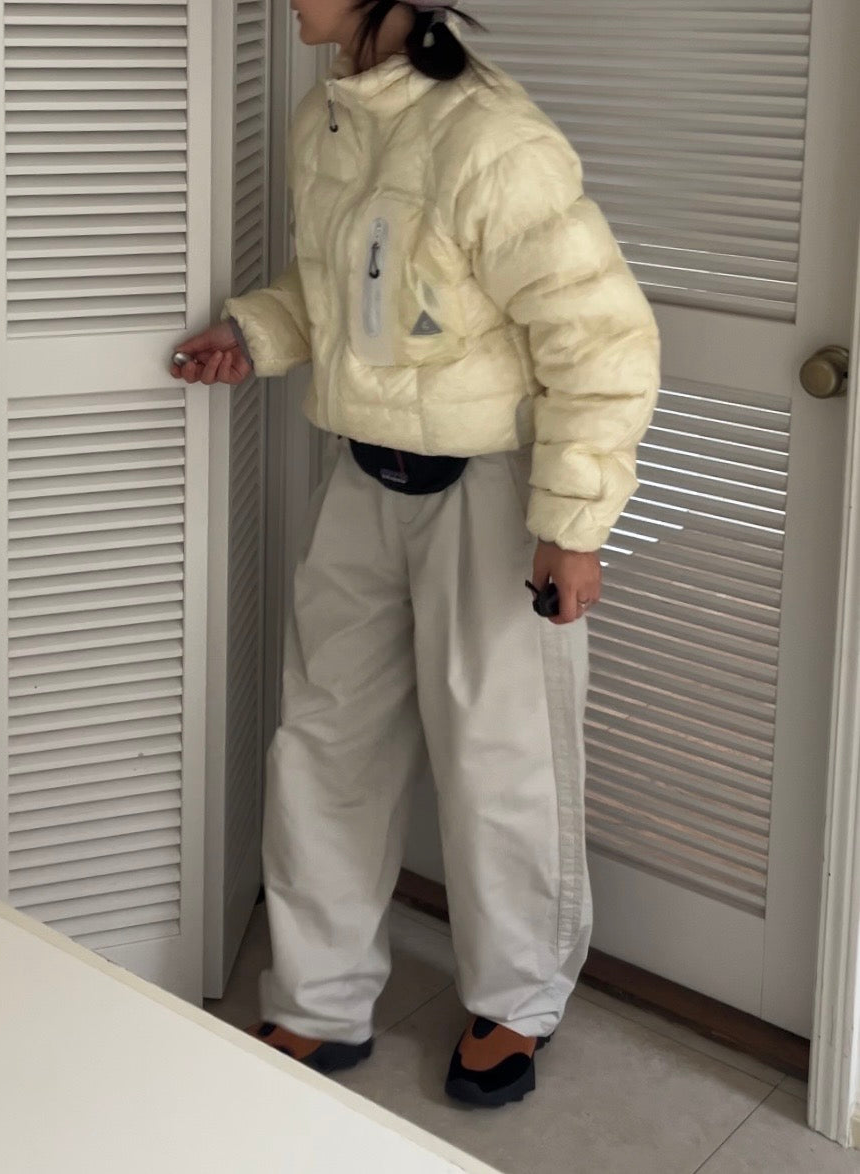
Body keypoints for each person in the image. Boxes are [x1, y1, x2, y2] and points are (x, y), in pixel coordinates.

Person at [171, 0, 659, 1108]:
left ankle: (514, 998)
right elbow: (348, 295)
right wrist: (254, 333)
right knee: (324, 743)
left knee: (499, 756)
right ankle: (318, 1000)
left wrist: (570, 527)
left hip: (490, 496)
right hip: (363, 480)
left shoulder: (493, 137)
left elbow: (601, 339)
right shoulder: (329, 120)